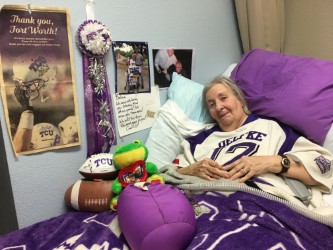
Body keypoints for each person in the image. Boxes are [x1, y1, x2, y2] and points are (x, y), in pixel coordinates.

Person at [173, 76, 333, 208]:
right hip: (213, 207)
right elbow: (165, 176)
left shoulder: (271, 127)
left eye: (223, 98)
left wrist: (272, 162)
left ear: (240, 100)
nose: (219, 107)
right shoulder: (197, 142)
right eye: (212, 104)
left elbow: (324, 166)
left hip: (267, 202)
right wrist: (191, 170)